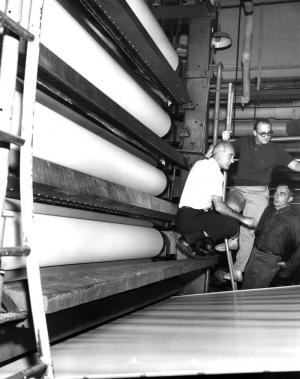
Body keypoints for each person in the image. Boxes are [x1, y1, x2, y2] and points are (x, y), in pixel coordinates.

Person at [215, 118, 300, 282]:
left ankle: (238, 270)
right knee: (231, 207)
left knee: (250, 227)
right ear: (254, 132)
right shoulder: (244, 142)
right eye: (262, 133)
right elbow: (223, 150)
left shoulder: (276, 150)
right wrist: (223, 139)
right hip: (239, 189)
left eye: (269, 133)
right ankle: (233, 238)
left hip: (259, 193)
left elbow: (295, 165)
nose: (266, 137)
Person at [176, 142, 256, 258]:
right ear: (219, 153)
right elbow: (219, 206)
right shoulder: (216, 173)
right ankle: (189, 240)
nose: (233, 160)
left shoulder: (201, 163)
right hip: (191, 218)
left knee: (221, 217)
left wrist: (209, 155)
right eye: (230, 156)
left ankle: (201, 244)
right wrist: (243, 219)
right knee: (232, 223)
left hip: (184, 217)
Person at [242, 184, 300, 289]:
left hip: (269, 261)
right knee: (244, 290)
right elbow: (257, 231)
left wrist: (289, 264)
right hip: (253, 253)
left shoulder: (294, 218)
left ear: (290, 198)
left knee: (254, 296)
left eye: (282, 194)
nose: (277, 196)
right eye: (276, 192)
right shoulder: (268, 209)